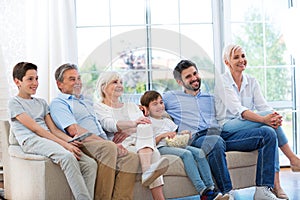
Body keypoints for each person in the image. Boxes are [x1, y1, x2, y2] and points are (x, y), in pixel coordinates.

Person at [163, 59, 282, 200]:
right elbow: (149, 103)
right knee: (215, 141)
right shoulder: (170, 98)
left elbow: (231, 111)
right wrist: (143, 110)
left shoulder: (212, 97)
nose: (194, 78)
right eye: (188, 76)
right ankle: (227, 192)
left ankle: (263, 190)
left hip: (221, 134)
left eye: (195, 73)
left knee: (267, 133)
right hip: (197, 138)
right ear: (179, 82)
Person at [215, 44, 300, 199]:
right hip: (227, 130)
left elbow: (264, 106)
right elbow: (238, 110)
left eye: (243, 56)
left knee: (269, 131)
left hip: (246, 131)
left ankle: (264, 189)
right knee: (268, 119)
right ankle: (292, 159)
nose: (242, 60)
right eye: (236, 57)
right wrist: (265, 118)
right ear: (227, 62)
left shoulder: (251, 81)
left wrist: (273, 116)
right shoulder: (222, 82)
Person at [49, 63, 140, 200]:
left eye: (79, 78)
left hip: (101, 142)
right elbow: (74, 130)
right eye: (72, 79)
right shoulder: (59, 103)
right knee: (108, 147)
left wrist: (123, 131)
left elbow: (105, 119)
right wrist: (108, 143)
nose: (78, 82)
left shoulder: (86, 101)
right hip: (84, 143)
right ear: (59, 84)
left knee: (131, 157)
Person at [8, 62, 97, 200]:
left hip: (47, 138)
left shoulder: (41, 102)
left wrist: (70, 141)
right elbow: (36, 129)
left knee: (90, 164)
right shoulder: (14, 103)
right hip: (31, 140)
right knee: (67, 157)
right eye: (30, 79)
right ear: (17, 81)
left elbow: (53, 130)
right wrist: (65, 145)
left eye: (36, 78)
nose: (35, 83)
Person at [140, 90, 229, 200]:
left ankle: (211, 188)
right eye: (155, 104)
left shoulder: (168, 122)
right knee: (187, 154)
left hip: (173, 145)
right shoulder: (148, 122)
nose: (160, 106)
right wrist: (163, 135)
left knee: (200, 153)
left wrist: (183, 134)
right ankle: (202, 191)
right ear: (147, 109)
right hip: (161, 147)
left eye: (161, 102)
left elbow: (175, 136)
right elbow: (149, 142)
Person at [94, 71, 170, 200]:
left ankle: (147, 172)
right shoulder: (99, 107)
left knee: (146, 128)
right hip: (122, 145)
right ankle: (157, 193)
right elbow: (109, 124)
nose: (119, 85)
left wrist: (127, 129)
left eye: (121, 82)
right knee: (154, 153)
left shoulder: (130, 106)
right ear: (103, 87)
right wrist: (133, 124)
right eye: (114, 82)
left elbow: (145, 123)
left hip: (140, 140)